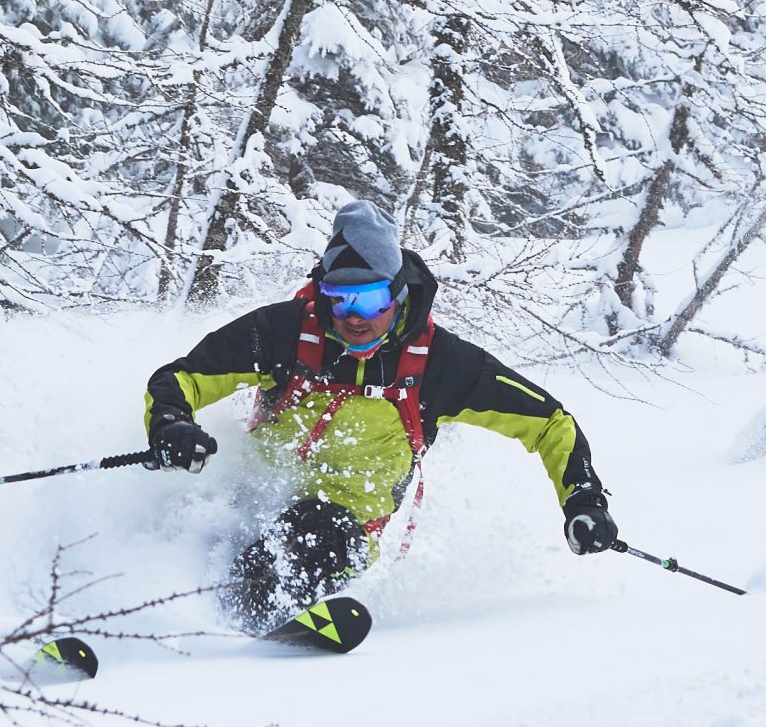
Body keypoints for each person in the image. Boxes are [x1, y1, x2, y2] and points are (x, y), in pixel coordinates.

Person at [143, 200, 618, 628]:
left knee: (312, 538)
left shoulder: (441, 365)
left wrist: (583, 500)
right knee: (187, 526)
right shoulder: (284, 333)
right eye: (339, 298)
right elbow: (179, 379)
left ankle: (237, 638)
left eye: (369, 298)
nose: (353, 315)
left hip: (343, 524)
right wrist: (172, 423)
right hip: (250, 496)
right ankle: (157, 620)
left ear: (396, 292)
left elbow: (550, 422)